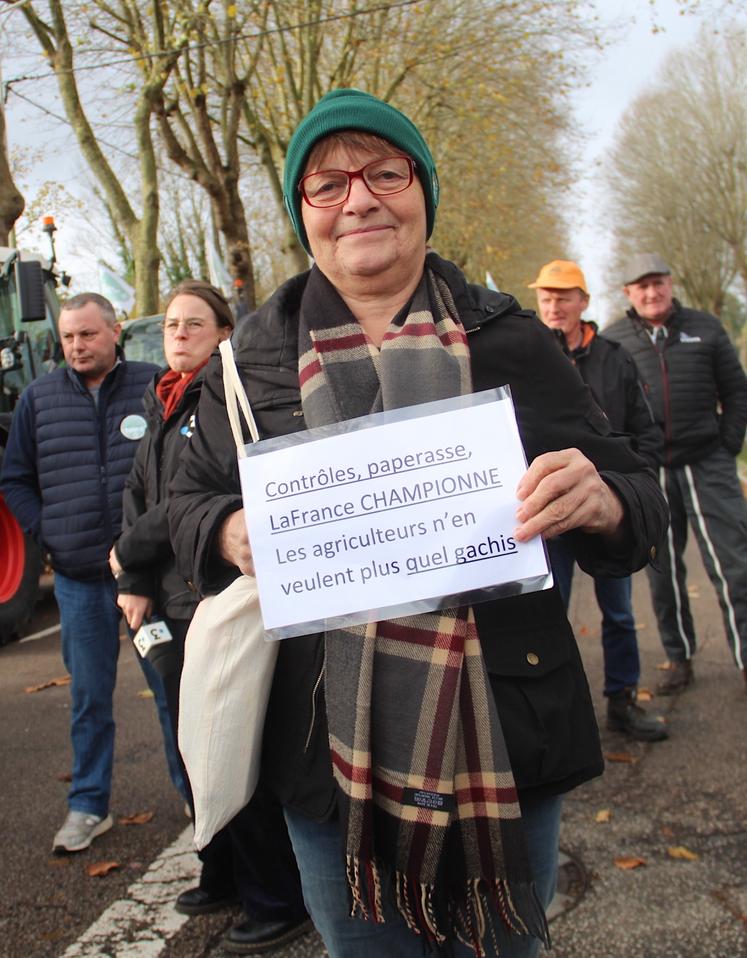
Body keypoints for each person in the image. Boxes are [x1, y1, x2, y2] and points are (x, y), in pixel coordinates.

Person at [168, 90, 668, 958]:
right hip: (329, 759)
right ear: (304, 215)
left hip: (501, 738)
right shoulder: (248, 360)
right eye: (326, 185)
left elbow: (635, 491)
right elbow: (178, 502)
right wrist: (224, 531)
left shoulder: (508, 339)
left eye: (385, 173)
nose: (359, 198)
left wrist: (605, 498)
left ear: (422, 193)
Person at [109, 279, 309, 955]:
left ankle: (276, 897)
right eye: (170, 323)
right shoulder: (161, 402)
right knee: (188, 745)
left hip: (212, 599)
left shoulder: (226, 401)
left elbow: (179, 508)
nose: (179, 333)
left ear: (226, 334)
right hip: (163, 601)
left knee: (231, 742)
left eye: (196, 323)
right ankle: (219, 868)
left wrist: (122, 552)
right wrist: (134, 577)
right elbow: (140, 497)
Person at [0, 292, 175, 853]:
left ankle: (201, 803)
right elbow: (15, 478)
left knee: (174, 693)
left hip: (150, 581)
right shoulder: (37, 399)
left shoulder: (152, 384)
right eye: (69, 337)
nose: (77, 346)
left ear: (114, 332)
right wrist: (45, 530)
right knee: (89, 701)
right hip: (78, 582)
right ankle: (88, 807)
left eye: (88, 335)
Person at [529, 259, 667, 742]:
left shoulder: (614, 357)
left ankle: (623, 701)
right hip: (547, 513)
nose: (554, 305)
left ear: (583, 302)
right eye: (546, 297)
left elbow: (646, 431)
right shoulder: (525, 356)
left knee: (620, 610)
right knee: (548, 616)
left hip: (608, 510)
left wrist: (630, 487)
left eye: (564, 296)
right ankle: (556, 717)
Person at [605, 253, 747, 695]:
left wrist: (727, 445)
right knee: (662, 571)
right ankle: (678, 656)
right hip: (652, 473)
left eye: (658, 283)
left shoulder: (705, 327)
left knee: (734, 565)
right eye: (641, 286)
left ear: (670, 283)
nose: (651, 293)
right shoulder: (615, 340)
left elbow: (737, 390)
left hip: (708, 463)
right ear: (628, 293)